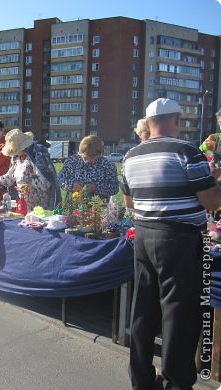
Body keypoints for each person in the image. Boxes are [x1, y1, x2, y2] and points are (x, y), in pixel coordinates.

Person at [122, 98, 221, 390]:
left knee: (143, 310)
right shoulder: (187, 151)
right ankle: (175, 382)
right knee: (179, 313)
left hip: (143, 234)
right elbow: (211, 201)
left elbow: (129, 201)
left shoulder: (131, 155)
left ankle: (141, 379)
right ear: (175, 120)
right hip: (178, 238)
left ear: (149, 123)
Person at [0, 129, 61, 211]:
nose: (13, 152)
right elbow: (11, 175)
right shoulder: (16, 157)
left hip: (40, 204)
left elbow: (45, 182)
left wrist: (27, 186)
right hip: (23, 202)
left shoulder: (37, 153)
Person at [58, 135, 118, 200]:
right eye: (85, 157)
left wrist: (97, 188)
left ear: (99, 154)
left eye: (92, 157)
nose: (88, 161)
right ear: (81, 152)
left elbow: (114, 188)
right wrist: (71, 185)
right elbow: (60, 180)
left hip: (99, 207)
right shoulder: (71, 162)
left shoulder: (108, 165)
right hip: (73, 206)